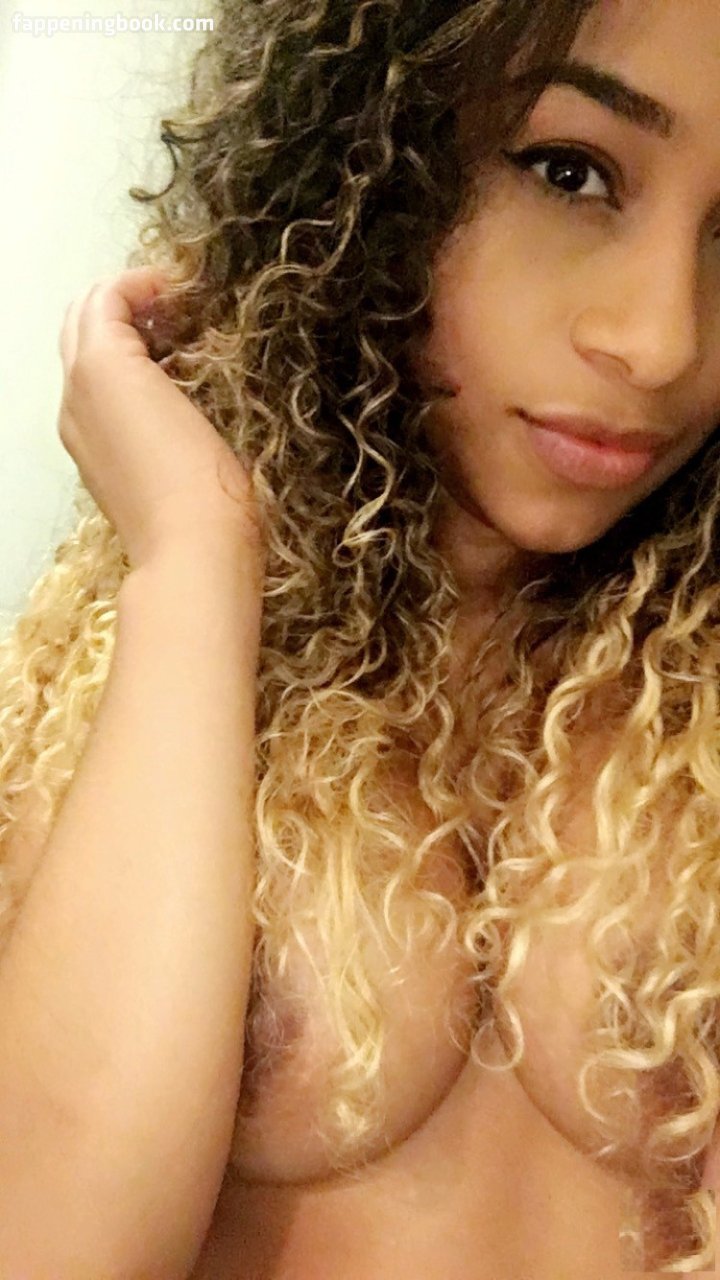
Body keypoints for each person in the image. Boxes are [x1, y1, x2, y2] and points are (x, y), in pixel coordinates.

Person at [0, 0, 718, 1273]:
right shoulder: (115, 684)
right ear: (362, 161)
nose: (662, 341)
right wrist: (195, 554)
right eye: (570, 171)